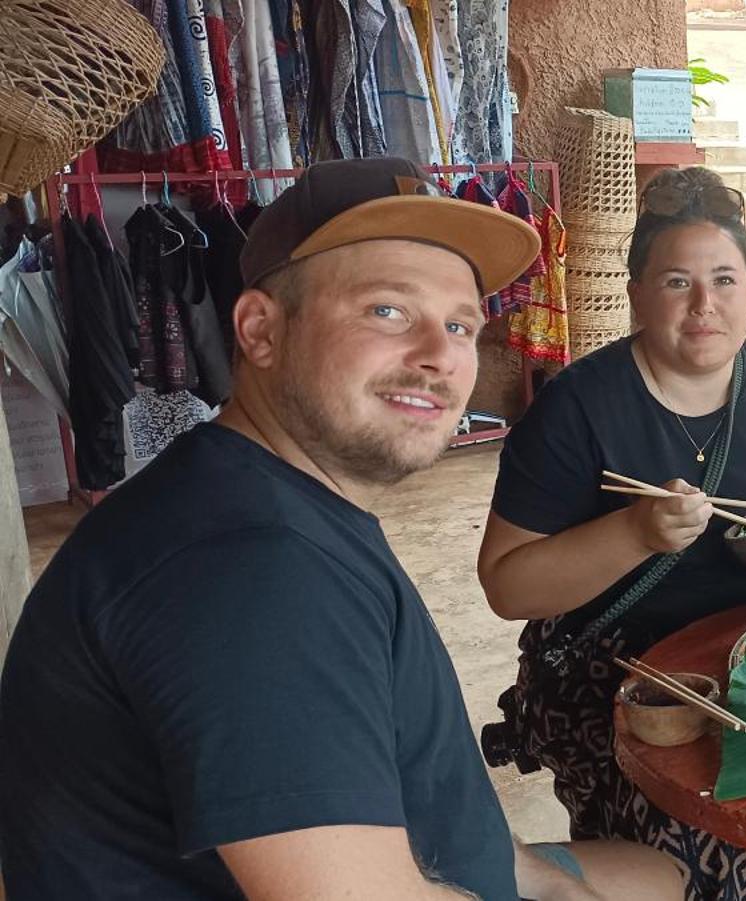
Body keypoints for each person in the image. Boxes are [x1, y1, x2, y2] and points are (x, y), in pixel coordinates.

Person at [0, 158, 685, 899]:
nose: (439, 357)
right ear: (260, 329)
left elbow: (443, 805)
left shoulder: (267, 497)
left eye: (459, 324)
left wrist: (537, 877)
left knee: (656, 874)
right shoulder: (246, 572)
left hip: (439, 865)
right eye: (388, 310)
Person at [477, 167, 746, 900]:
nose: (704, 306)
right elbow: (507, 584)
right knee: (708, 846)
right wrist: (636, 531)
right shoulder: (576, 407)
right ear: (635, 295)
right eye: (676, 282)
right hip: (619, 672)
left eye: (724, 279)